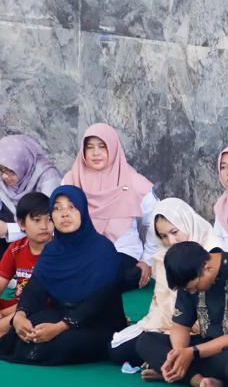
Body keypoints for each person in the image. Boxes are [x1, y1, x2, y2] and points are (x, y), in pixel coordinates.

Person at [0, 186, 132, 365]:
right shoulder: (52, 250)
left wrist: (60, 327)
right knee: (26, 330)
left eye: (71, 207)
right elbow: (35, 290)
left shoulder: (102, 250)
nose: (64, 214)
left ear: (83, 211)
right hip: (62, 313)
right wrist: (20, 316)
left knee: (59, 345)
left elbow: (97, 302)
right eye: (57, 208)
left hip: (99, 322)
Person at [134, 240, 228, 387]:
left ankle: (185, 375)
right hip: (206, 349)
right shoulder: (189, 274)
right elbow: (180, 325)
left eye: (193, 288)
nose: (191, 292)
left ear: (206, 268)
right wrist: (180, 355)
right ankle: (198, 380)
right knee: (146, 341)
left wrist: (192, 353)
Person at [108, 198, 222, 370]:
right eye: (163, 236)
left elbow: (212, 314)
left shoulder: (212, 253)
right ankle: (166, 360)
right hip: (172, 326)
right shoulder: (164, 256)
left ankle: (169, 363)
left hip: (205, 332)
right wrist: (157, 327)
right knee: (118, 349)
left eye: (175, 232)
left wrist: (176, 326)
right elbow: (161, 306)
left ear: (187, 223)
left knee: (149, 345)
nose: (171, 241)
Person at [62, 123, 158, 285]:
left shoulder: (134, 182)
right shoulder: (71, 180)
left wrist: (147, 260)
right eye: (90, 147)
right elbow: (58, 218)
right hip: (81, 251)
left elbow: (157, 220)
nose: (96, 153)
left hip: (122, 252)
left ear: (113, 148)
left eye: (102, 146)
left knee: (105, 278)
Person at [0, 192, 53, 337]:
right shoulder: (16, 248)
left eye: (49, 219)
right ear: (21, 224)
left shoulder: (58, 251)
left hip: (42, 310)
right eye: (37, 220)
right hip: (18, 306)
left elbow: (47, 300)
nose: (44, 226)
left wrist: (9, 313)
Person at [0, 134, 62, 246]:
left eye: (10, 171)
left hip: (44, 239)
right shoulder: (3, 179)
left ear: (22, 164)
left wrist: (8, 229)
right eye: (1, 170)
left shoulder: (48, 177)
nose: (4, 176)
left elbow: (50, 223)